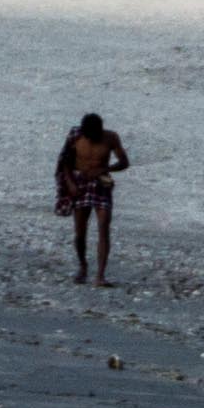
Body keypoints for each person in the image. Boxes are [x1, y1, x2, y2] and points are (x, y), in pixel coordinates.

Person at [54, 112, 131, 285]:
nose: (92, 139)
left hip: (101, 184)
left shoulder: (111, 138)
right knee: (80, 232)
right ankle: (83, 267)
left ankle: (100, 276)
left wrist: (105, 169)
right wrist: (70, 184)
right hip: (80, 183)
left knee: (104, 227)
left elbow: (124, 162)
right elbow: (65, 161)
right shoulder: (76, 136)